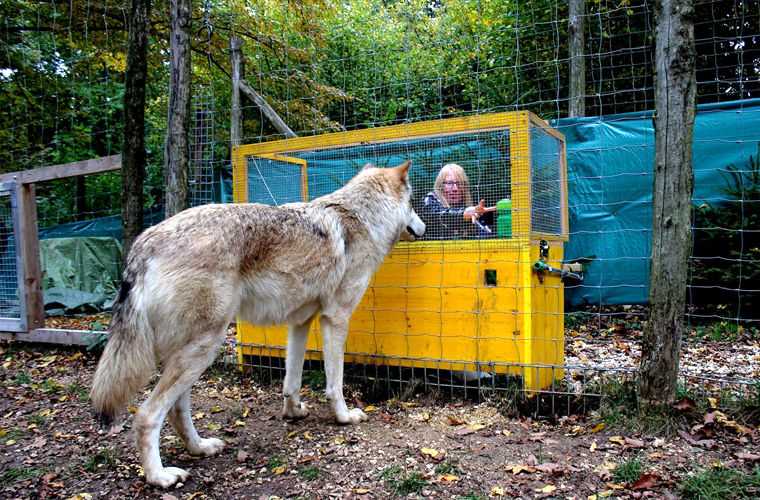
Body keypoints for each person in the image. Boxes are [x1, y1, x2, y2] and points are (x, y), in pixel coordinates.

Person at [422, 163, 495, 239]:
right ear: (440, 186)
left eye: (459, 183)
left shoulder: (475, 205)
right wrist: (463, 214)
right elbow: (436, 214)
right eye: (449, 183)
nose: (455, 189)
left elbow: (488, 235)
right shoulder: (430, 199)